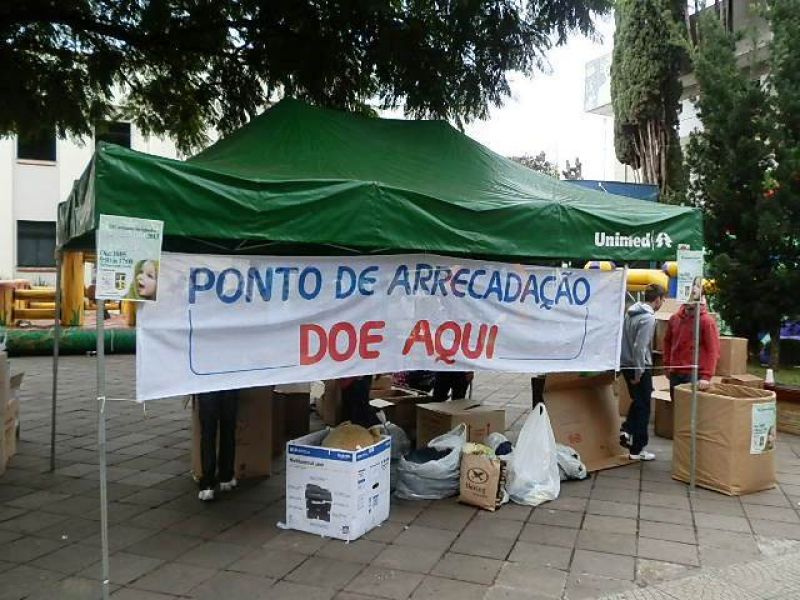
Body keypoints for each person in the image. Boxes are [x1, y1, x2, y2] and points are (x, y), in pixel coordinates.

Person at [619, 283, 666, 461]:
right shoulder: (648, 318)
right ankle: (637, 447)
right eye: (663, 299)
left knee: (638, 402)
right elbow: (640, 346)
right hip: (639, 366)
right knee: (644, 406)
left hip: (626, 364)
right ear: (657, 299)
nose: (662, 303)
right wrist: (639, 372)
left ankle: (628, 431)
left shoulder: (630, 313)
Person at [663, 276, 720, 403]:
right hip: (676, 372)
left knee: (691, 409)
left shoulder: (706, 321)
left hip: (695, 374)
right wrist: (667, 365)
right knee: (677, 408)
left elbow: (713, 350)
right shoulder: (675, 319)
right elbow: (667, 342)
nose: (692, 290)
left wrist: (706, 376)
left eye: (696, 288)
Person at [197, 389, 239, 501]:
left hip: (206, 385)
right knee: (228, 429)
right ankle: (226, 477)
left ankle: (207, 485)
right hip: (229, 383)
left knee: (208, 432)